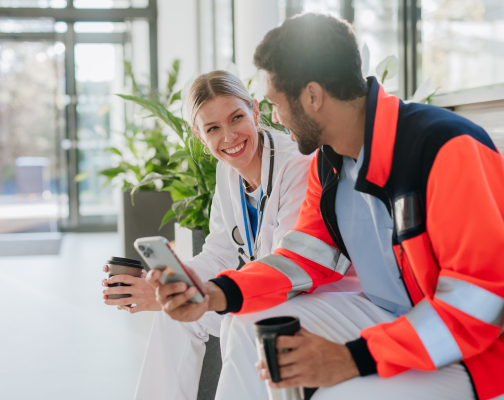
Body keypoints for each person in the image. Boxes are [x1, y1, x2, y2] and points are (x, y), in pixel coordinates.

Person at [147, 13, 504, 400]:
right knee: (250, 325)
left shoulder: (446, 146)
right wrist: (215, 292)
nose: (276, 118)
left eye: (276, 104)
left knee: (336, 395)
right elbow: (301, 258)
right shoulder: (328, 162)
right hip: (388, 314)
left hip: (472, 349)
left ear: (312, 97)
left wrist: (350, 359)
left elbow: (477, 303)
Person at [102, 70, 326, 400]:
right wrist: (169, 286)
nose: (230, 137)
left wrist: (205, 293)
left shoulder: (296, 165)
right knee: (175, 317)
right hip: (253, 289)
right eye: (213, 129)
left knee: (240, 323)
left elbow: (286, 266)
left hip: (301, 293)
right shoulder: (227, 172)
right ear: (198, 134)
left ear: (255, 110)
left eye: (236, 118)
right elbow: (219, 253)